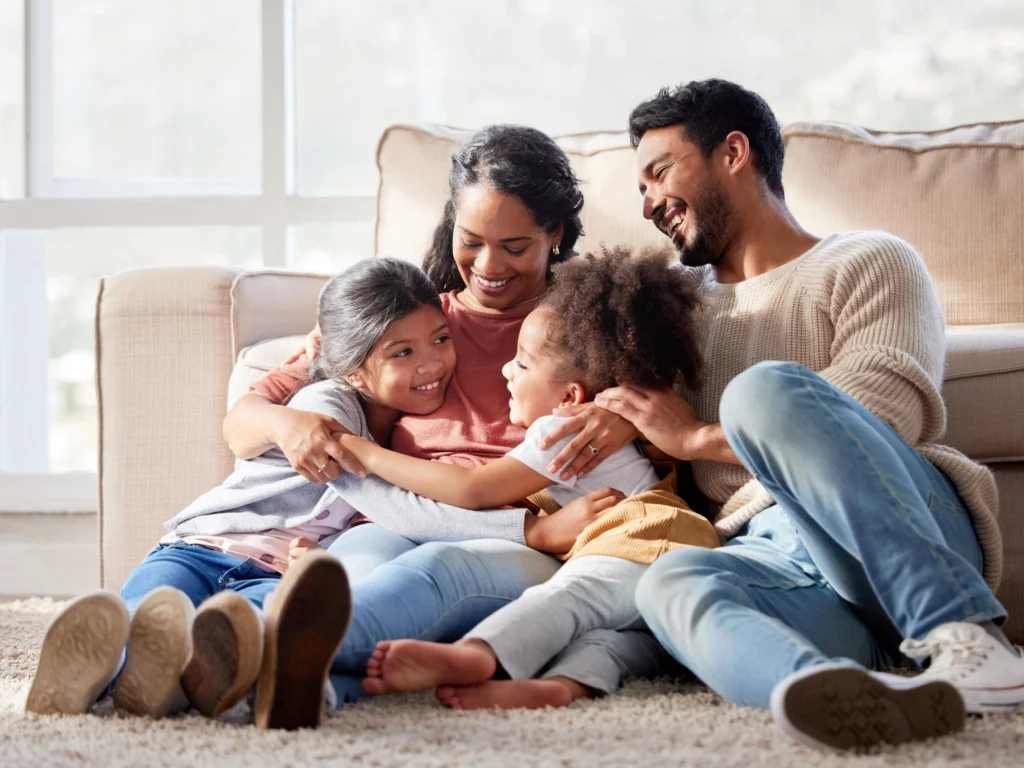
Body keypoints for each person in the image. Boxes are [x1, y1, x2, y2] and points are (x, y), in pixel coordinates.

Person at [538, 78, 1023, 750]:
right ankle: (842, 693)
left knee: (762, 392)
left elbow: (886, 409)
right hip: (773, 560)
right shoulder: (670, 306)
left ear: (733, 152)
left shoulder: (869, 260)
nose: (647, 203)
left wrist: (700, 436)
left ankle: (967, 634)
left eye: (658, 173)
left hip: (898, 530)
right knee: (671, 583)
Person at [222, 124, 672, 710]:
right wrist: (287, 425)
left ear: (554, 234)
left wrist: (627, 418)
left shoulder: (582, 326)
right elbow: (244, 420)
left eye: (514, 247)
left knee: (437, 573)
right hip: (397, 515)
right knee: (352, 575)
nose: (488, 266)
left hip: (515, 535)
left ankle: (255, 658)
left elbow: (670, 423)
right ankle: (305, 687)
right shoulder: (408, 314)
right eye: (472, 240)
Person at [24, 258, 458, 727]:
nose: (431, 363)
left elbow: (376, 533)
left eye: (440, 339)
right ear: (352, 369)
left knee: (238, 638)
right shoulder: (325, 406)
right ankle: (103, 664)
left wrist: (319, 561)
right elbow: (255, 422)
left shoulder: (425, 447)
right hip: (200, 547)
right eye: (403, 353)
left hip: (274, 577)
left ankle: (158, 683)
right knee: (149, 615)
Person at [327, 247, 717, 710]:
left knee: (570, 599)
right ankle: (561, 688)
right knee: (614, 636)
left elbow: (471, 489)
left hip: (647, 538)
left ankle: (477, 655)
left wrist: (368, 453)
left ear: (571, 395)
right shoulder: (589, 421)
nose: (506, 370)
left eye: (524, 364)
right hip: (668, 550)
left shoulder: (561, 430)